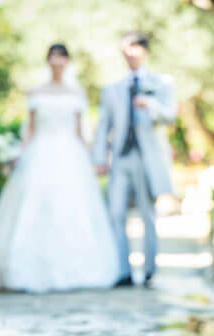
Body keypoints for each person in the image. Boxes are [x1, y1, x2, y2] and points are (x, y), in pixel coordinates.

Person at [0, 44, 119, 293]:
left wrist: (93, 160)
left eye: (62, 56)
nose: (57, 61)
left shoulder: (77, 94)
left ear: (67, 61)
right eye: (54, 56)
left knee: (72, 208)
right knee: (32, 207)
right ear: (48, 60)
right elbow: (29, 130)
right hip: (39, 153)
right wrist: (17, 155)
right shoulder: (36, 92)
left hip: (70, 156)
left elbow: (80, 133)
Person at [93, 31, 177, 287]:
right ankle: (123, 271)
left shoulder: (162, 83)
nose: (129, 54)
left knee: (146, 214)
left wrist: (150, 105)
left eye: (133, 48)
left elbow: (170, 116)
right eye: (125, 50)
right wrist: (99, 158)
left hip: (147, 160)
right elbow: (102, 125)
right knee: (116, 213)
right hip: (120, 159)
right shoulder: (112, 89)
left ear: (144, 50)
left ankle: (150, 270)